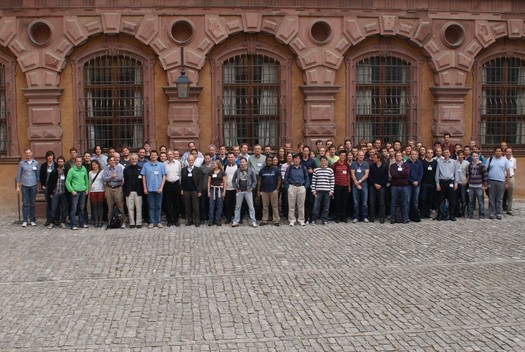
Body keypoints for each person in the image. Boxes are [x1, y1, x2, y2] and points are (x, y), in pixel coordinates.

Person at [141, 150, 166, 228]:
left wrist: (161, 187)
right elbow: (143, 176)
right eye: (152, 155)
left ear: (157, 156)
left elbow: (164, 176)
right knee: (151, 206)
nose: (153, 156)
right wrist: (145, 188)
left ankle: (158, 221)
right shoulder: (146, 165)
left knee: (158, 206)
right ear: (150, 156)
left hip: (158, 189)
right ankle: (151, 222)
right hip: (150, 189)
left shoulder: (161, 165)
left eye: (155, 155)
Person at [16, 148, 40, 227]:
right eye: (26, 153)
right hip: (25, 186)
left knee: (32, 203)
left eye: (29, 153)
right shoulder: (22, 163)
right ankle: (25, 220)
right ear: (25, 154)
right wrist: (17, 186)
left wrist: (38, 186)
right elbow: (18, 175)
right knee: (25, 203)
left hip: (33, 185)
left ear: (31, 153)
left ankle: (32, 220)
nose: (28, 154)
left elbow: (37, 176)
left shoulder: (36, 163)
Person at [284, 153, 310, 226]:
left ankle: (301, 219)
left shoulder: (303, 168)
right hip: (292, 187)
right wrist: (288, 186)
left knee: (301, 205)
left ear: (300, 160)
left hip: (301, 187)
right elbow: (286, 178)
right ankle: (292, 219)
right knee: (291, 205)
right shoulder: (289, 168)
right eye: (295, 159)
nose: (296, 160)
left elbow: (306, 178)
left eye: (298, 158)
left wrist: (305, 186)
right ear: (293, 160)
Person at [485, 147, 511, 220]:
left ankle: (499, 212)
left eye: (499, 151)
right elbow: (485, 170)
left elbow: (508, 171)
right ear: (494, 152)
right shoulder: (490, 159)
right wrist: (486, 181)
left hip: (501, 181)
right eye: (497, 151)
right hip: (491, 181)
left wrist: (507, 182)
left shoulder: (504, 160)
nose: (498, 152)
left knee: (499, 198)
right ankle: (491, 212)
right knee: (491, 197)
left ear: (501, 152)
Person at [232, 157, 258, 228]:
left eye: (243, 162)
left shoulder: (251, 171)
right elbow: (233, 180)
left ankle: (253, 221)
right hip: (240, 191)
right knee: (237, 207)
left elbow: (254, 181)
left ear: (246, 162)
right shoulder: (237, 171)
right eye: (241, 162)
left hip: (248, 191)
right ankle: (236, 221)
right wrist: (236, 188)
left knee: (251, 207)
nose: (242, 163)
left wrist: (252, 188)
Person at [65, 156, 89, 230]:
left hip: (83, 191)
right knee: (74, 209)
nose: (79, 163)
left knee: (82, 208)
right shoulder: (71, 170)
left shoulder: (84, 169)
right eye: (77, 161)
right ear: (75, 162)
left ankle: (82, 223)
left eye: (80, 161)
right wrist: (71, 190)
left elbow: (86, 180)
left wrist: (87, 189)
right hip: (75, 192)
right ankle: (73, 224)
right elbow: (67, 182)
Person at [101, 155, 125, 227]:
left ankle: (122, 222)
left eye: (114, 160)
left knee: (120, 205)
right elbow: (104, 179)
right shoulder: (105, 169)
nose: (112, 162)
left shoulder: (119, 168)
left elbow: (120, 178)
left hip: (118, 188)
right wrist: (112, 176)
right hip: (109, 188)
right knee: (110, 206)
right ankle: (110, 222)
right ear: (108, 162)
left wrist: (111, 178)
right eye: (111, 161)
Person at [257, 155, 282, 226]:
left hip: (273, 190)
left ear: (272, 162)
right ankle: (264, 220)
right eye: (267, 161)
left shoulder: (276, 170)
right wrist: (258, 190)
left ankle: (276, 220)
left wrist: (277, 189)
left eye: (270, 161)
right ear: (265, 161)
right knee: (265, 207)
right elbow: (259, 180)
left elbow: (279, 179)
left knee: (275, 206)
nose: (269, 162)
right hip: (264, 191)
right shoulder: (262, 170)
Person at [435, 149, 458, 221]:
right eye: (444, 152)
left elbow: (456, 173)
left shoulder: (454, 162)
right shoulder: (439, 162)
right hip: (442, 182)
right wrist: (437, 184)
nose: (446, 153)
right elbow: (437, 174)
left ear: (450, 153)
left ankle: (452, 215)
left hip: (451, 182)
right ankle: (440, 214)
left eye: (447, 152)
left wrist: (456, 183)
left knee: (452, 200)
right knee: (440, 200)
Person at [310, 156, 334, 225]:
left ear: (327, 162)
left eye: (324, 161)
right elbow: (314, 181)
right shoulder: (316, 170)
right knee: (316, 206)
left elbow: (332, 181)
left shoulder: (330, 170)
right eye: (322, 161)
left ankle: (324, 220)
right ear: (320, 162)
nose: (323, 162)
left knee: (326, 207)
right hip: (318, 191)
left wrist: (331, 191)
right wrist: (313, 190)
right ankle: (314, 220)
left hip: (327, 191)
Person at [46, 156, 68, 229]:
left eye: (62, 162)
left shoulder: (67, 171)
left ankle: (62, 222)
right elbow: (49, 183)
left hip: (64, 193)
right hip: (55, 193)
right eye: (59, 162)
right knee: (53, 208)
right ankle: (52, 222)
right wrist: (50, 193)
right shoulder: (54, 171)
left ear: (64, 162)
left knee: (64, 208)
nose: (60, 163)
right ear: (57, 163)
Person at [181, 155, 202, 227]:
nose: (190, 161)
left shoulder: (198, 170)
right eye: (189, 160)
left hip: (194, 191)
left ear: (194, 161)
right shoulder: (183, 170)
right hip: (186, 190)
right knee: (187, 206)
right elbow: (182, 181)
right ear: (187, 161)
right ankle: (189, 220)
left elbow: (200, 181)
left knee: (196, 207)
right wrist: (182, 189)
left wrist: (199, 191)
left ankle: (197, 220)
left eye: (192, 160)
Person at [389, 151, 410, 224]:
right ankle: (392, 219)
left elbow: (406, 174)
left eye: (400, 155)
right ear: (395, 157)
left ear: (402, 157)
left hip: (404, 186)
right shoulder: (392, 166)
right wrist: (401, 174)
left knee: (404, 203)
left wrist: (398, 173)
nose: (398, 157)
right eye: (397, 156)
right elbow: (393, 175)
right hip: (394, 187)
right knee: (393, 203)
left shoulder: (406, 165)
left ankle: (405, 218)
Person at [163, 149, 182, 227]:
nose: (170, 156)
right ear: (167, 156)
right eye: (168, 154)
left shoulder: (178, 163)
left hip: (176, 184)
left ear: (173, 155)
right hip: (167, 184)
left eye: (171, 154)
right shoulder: (164, 164)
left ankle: (176, 220)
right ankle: (169, 220)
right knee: (168, 203)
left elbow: (180, 174)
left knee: (177, 203)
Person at [331, 150, 351, 223]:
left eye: (344, 156)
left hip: (345, 186)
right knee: (337, 202)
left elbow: (348, 175)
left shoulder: (347, 165)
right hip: (337, 185)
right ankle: (338, 217)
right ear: (339, 156)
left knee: (345, 202)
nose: (343, 157)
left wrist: (349, 186)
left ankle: (344, 217)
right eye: (341, 155)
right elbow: (332, 176)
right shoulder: (334, 165)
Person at [124, 154, 143, 228]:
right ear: (130, 160)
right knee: (130, 208)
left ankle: (139, 222)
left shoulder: (141, 168)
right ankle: (132, 222)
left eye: (135, 159)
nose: (134, 160)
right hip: (129, 191)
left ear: (137, 160)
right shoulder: (126, 169)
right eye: (132, 159)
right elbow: (125, 181)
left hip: (138, 191)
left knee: (138, 208)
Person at [466, 151, 488, 220]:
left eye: (476, 156)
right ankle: (470, 214)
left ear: (478, 157)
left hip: (479, 186)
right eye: (473, 156)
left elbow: (485, 175)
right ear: (472, 157)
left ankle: (481, 214)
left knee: (480, 201)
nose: (475, 157)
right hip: (471, 186)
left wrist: (484, 184)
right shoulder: (470, 165)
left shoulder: (482, 165)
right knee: (470, 201)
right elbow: (468, 174)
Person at [350, 150, 370, 223]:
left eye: (362, 155)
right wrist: (356, 183)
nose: (361, 156)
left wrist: (360, 182)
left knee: (364, 202)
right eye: (359, 155)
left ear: (363, 156)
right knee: (356, 203)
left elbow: (366, 174)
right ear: (357, 156)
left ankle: (364, 217)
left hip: (364, 185)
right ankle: (356, 217)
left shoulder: (366, 164)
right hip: (355, 185)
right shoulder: (353, 163)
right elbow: (352, 174)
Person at [368, 153, 387, 223]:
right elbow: (369, 176)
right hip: (373, 186)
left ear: (379, 158)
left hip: (382, 186)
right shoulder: (371, 166)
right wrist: (375, 184)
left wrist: (380, 185)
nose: (373, 159)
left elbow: (385, 177)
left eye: (375, 158)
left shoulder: (384, 166)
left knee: (382, 202)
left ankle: (382, 217)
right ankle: (372, 217)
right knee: (372, 202)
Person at [39, 150, 57, 226]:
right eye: (48, 156)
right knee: (48, 204)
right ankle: (48, 219)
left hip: (55, 187)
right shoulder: (43, 165)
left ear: (53, 157)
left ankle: (55, 219)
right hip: (46, 187)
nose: (50, 157)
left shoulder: (56, 165)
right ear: (46, 157)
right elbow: (41, 176)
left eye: (51, 156)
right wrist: (42, 185)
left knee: (55, 203)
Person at [207, 159, 226, 226]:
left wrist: (224, 191)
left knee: (219, 206)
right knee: (211, 206)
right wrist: (208, 191)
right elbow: (209, 182)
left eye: (214, 163)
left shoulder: (222, 172)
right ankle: (211, 220)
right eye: (213, 163)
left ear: (218, 164)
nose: (213, 165)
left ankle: (218, 220)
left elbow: (224, 182)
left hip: (219, 190)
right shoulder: (211, 172)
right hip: (212, 189)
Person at [420, 149, 438, 219]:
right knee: (423, 198)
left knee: (430, 199)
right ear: (426, 154)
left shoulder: (435, 162)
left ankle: (427, 213)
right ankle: (422, 213)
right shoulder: (422, 162)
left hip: (432, 183)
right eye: (428, 153)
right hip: (424, 183)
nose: (430, 154)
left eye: (431, 153)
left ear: (433, 154)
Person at [89, 160, 105, 227]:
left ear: (98, 164)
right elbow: (89, 182)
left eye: (95, 164)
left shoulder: (102, 172)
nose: (94, 166)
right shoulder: (90, 172)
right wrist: (89, 191)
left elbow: (104, 181)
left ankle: (100, 221)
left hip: (100, 190)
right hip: (93, 191)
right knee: (94, 206)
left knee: (100, 206)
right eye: (93, 165)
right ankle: (96, 221)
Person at [407, 150, 423, 216]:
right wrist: (412, 181)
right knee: (408, 200)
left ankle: (415, 214)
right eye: (412, 154)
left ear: (417, 155)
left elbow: (421, 173)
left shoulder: (419, 163)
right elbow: (406, 174)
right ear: (410, 155)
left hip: (417, 184)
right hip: (409, 184)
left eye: (415, 154)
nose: (414, 155)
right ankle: (407, 214)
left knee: (415, 200)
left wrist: (418, 181)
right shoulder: (407, 163)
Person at [223, 152, 238, 224]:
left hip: (236, 189)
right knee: (227, 204)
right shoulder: (225, 166)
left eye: (232, 157)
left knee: (235, 204)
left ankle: (236, 218)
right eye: (229, 157)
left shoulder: (237, 166)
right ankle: (228, 218)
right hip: (227, 188)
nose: (230, 159)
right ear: (227, 158)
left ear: (234, 158)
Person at [199, 153, 213, 224]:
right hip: (203, 188)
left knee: (210, 204)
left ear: (210, 159)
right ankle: (202, 218)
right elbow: (200, 179)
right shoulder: (201, 168)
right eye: (206, 158)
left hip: (212, 188)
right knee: (202, 204)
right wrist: (200, 190)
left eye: (208, 158)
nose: (207, 160)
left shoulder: (213, 167)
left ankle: (209, 216)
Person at [455, 150, 470, 217]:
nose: (460, 156)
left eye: (461, 155)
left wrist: (467, 180)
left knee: (463, 198)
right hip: (456, 182)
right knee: (456, 198)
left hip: (463, 183)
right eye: (459, 155)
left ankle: (463, 211)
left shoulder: (467, 163)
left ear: (463, 155)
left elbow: (469, 173)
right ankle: (457, 211)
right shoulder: (454, 162)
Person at [503, 147, 516, 215]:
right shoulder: (502, 159)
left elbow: (514, 169)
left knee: (510, 195)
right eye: (507, 152)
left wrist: (510, 176)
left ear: (511, 153)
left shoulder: (514, 160)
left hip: (511, 178)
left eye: (510, 152)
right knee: (501, 194)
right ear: (505, 152)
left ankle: (509, 209)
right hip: (502, 178)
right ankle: (500, 208)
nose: (508, 153)